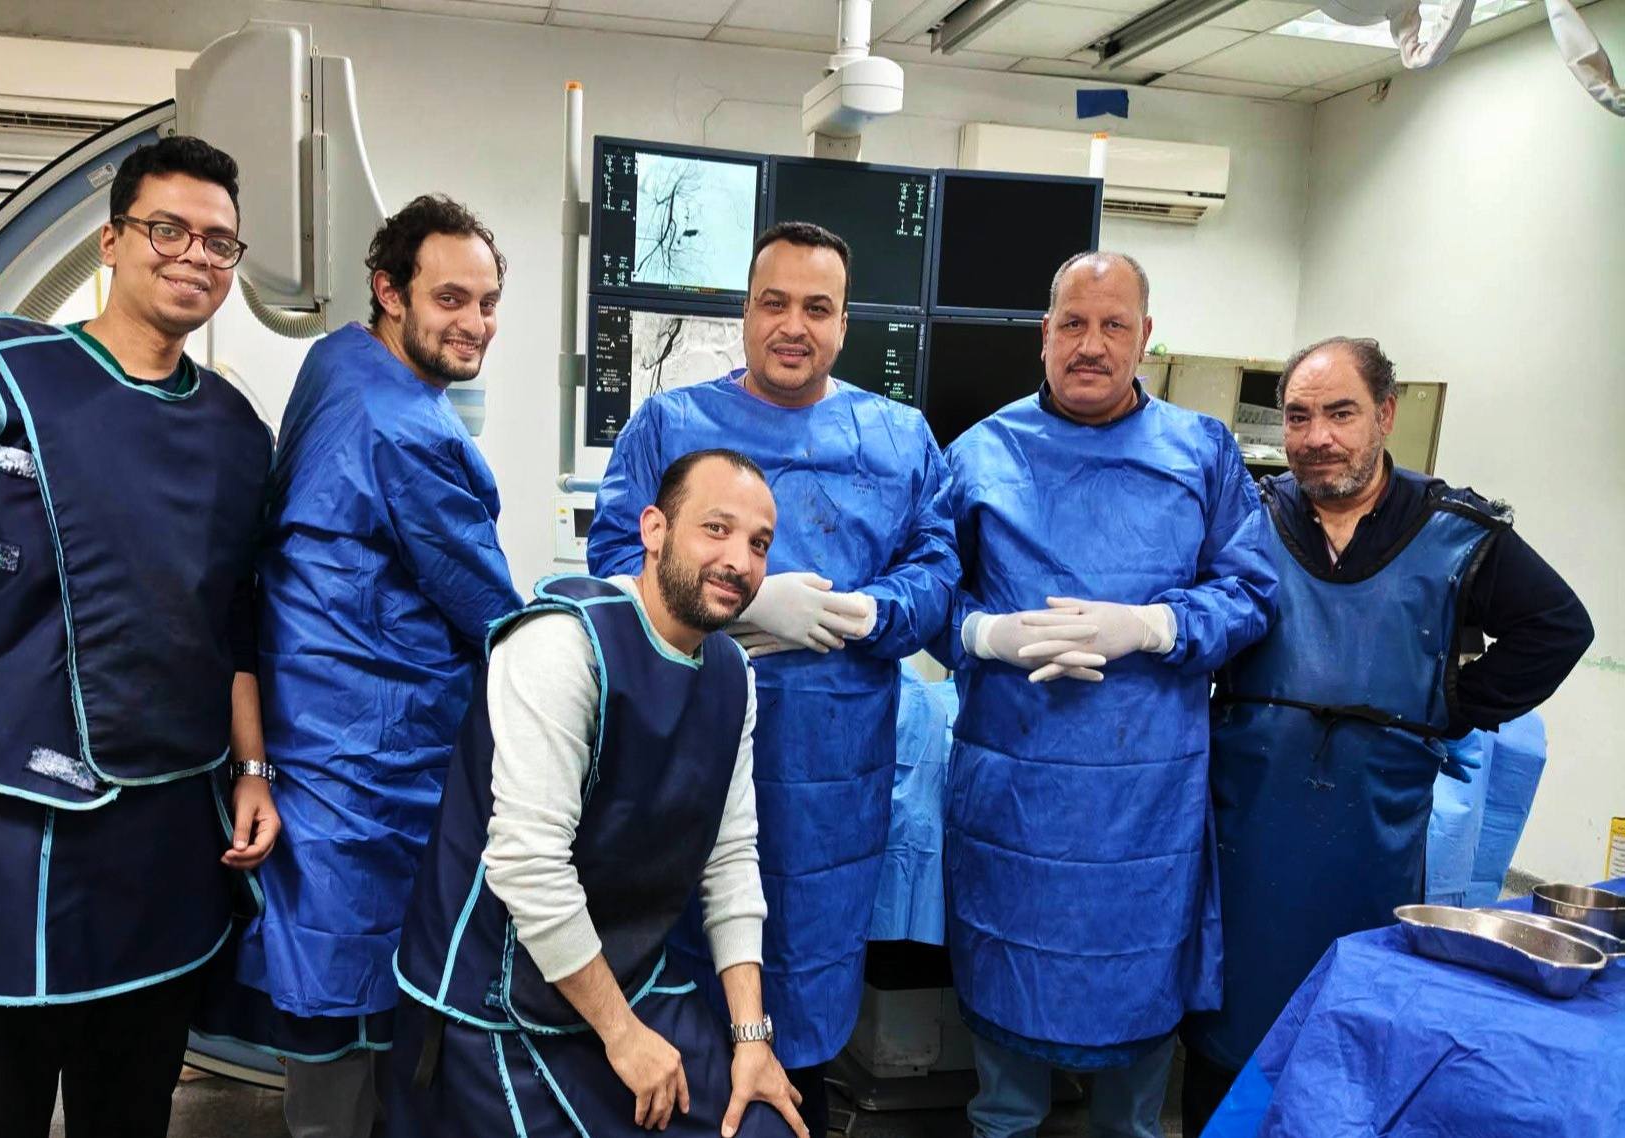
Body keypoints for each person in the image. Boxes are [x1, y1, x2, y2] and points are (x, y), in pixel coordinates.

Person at [0, 136, 278, 1138]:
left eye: (219, 242)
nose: (195, 255)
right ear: (112, 241)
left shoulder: (237, 431)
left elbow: (234, 620)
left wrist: (252, 768)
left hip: (162, 852)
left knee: (132, 1113)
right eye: (167, 229)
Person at [586, 222, 959, 1134]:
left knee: (802, 1009)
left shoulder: (898, 438)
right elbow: (613, 565)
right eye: (775, 303)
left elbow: (937, 569)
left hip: (831, 777)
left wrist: (867, 613)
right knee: (675, 996)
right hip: (688, 750)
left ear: (845, 323)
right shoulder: (671, 426)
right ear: (746, 312)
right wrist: (750, 611)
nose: (794, 326)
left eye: (817, 308)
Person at [1179, 336, 1594, 1136]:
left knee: (1348, 1032)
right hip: (1246, 835)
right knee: (1229, 1041)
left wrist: (1451, 706)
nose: (1317, 437)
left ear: (1386, 415)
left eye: (1341, 413)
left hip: (1373, 837)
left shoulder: (1455, 534)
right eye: (1298, 417)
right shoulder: (1247, 521)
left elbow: (1558, 627)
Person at [196, 194, 522, 1138]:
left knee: (335, 989)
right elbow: (493, 612)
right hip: (373, 765)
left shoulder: (337, 359)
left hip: (315, 736)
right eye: (450, 299)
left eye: (488, 303)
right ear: (389, 291)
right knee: (361, 1005)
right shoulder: (408, 432)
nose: (475, 324)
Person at [938, 251, 1278, 1138]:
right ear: (1044, 334)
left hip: (1145, 805)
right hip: (1016, 796)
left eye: (1113, 325)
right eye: (1073, 324)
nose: (1091, 345)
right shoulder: (980, 454)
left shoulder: (1200, 453)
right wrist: (987, 635)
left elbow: (1251, 592)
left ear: (1145, 337)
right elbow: (931, 598)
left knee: (1134, 1083)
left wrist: (1154, 626)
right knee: (1006, 1093)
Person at [388, 448, 808, 1138]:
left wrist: (751, 1038)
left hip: (629, 974)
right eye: (716, 528)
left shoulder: (732, 675)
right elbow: (529, 867)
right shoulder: (562, 646)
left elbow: (730, 857)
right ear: (654, 530)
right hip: (497, 999)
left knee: (763, 1126)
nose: (740, 560)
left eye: (759, 544)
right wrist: (624, 1037)